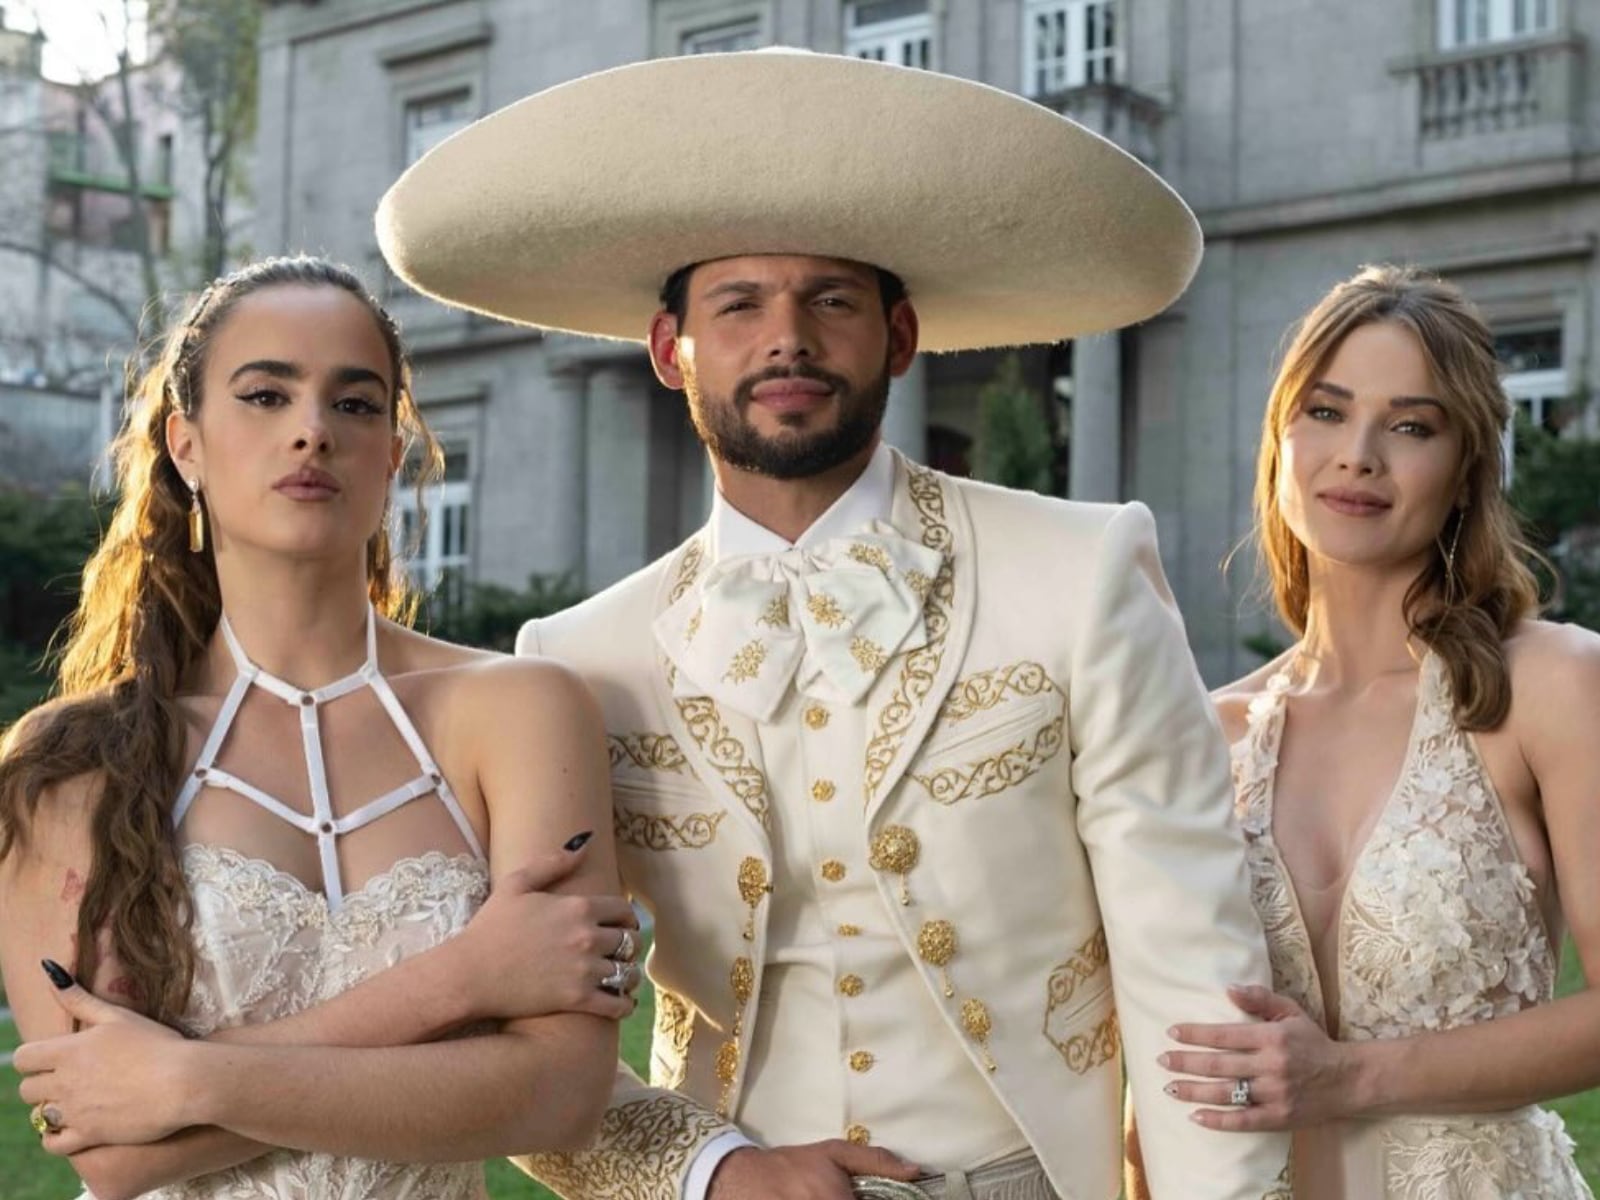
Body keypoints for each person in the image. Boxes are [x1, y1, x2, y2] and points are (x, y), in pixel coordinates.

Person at [377, 49, 1293, 1199]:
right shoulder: (579, 659)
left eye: (830, 300)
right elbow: (526, 1031)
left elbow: (1188, 963)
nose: (788, 340)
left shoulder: (1081, 568)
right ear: (673, 352)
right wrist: (709, 1174)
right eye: (740, 304)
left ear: (900, 337)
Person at [0, 256, 643, 1200]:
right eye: (265, 395)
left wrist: (185, 1078)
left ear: (392, 452)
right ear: (186, 445)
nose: (311, 431)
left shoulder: (524, 712)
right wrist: (465, 978)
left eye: (354, 404)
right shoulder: (69, 765)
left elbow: (559, 1098)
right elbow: (106, 1147)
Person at [1158, 265, 1600, 1197]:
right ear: (1279, 440)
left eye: (1410, 426)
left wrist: (1350, 1077)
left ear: (1468, 467)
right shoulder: (1210, 733)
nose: (1359, 454)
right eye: (1324, 411)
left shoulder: (1551, 685)